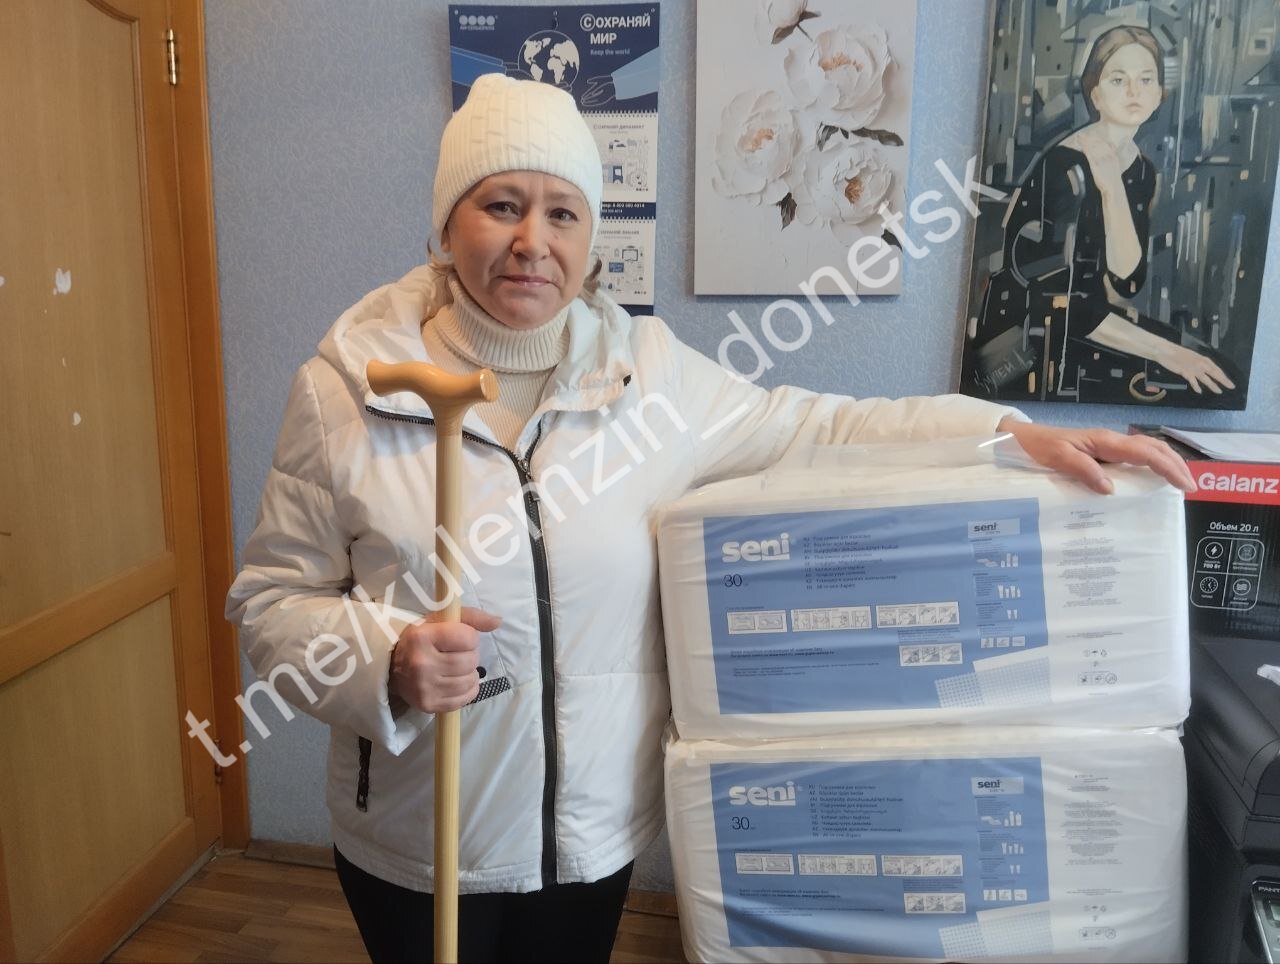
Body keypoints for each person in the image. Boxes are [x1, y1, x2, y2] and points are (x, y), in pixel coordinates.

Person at [226, 73, 1196, 963]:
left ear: (589, 236)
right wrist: (388, 660)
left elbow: (824, 425)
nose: (533, 242)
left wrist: (1008, 432)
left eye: (562, 212)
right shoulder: (347, 391)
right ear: (447, 224)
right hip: (417, 843)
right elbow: (272, 605)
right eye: (501, 205)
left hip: (587, 839)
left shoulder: (649, 380)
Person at [969, 24, 1235, 403]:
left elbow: (1127, 280)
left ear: (1159, 93)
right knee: (1191, 372)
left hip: (1087, 321)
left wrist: (1112, 188)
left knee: (1215, 370)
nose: (1134, 91)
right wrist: (1165, 351)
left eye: (1146, 79)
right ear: (1095, 93)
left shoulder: (1141, 171)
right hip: (1026, 340)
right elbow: (1054, 298)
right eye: (1118, 80)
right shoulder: (1065, 166)